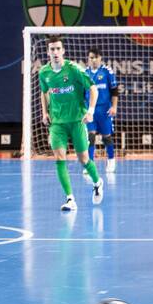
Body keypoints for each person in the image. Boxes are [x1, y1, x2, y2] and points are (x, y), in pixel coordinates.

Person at [39, 37, 104, 211]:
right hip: (57, 123)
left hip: (77, 120)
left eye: (58, 49)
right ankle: (70, 199)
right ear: (48, 52)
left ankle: (97, 182)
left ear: (63, 51)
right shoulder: (44, 72)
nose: (55, 52)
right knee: (60, 158)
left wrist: (90, 111)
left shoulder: (74, 69)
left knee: (83, 159)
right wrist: (45, 112)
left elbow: (93, 89)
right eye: (52, 49)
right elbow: (44, 93)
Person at [84, 47, 119, 172]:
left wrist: (114, 107)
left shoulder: (107, 71)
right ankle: (90, 165)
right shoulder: (85, 73)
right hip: (90, 112)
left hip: (104, 111)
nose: (93, 60)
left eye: (96, 57)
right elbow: (81, 94)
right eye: (91, 57)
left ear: (100, 58)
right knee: (90, 137)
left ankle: (111, 160)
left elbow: (114, 91)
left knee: (106, 137)